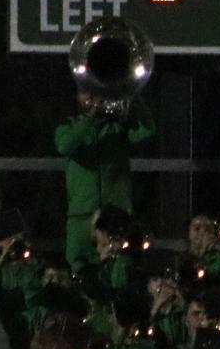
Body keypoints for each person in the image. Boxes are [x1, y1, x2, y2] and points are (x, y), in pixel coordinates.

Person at [54, 91, 156, 272]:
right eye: (86, 92)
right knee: (79, 269)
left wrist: (135, 97)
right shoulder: (69, 125)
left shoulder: (119, 127)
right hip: (82, 215)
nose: (93, 97)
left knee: (120, 268)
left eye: (98, 93)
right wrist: (91, 118)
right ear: (76, 97)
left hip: (116, 214)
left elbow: (148, 129)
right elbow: (64, 145)